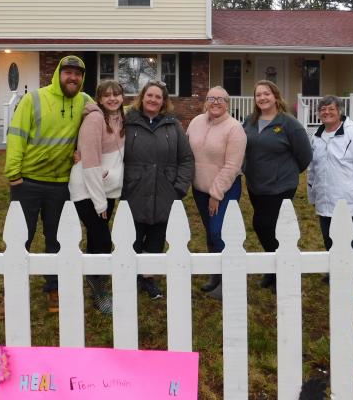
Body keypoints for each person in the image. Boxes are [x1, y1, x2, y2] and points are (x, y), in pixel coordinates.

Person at [4, 55, 92, 313]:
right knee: (21, 238)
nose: (72, 77)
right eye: (68, 72)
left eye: (78, 73)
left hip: (62, 185)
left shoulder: (86, 103)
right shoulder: (34, 99)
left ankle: (54, 288)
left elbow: (107, 120)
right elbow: (16, 133)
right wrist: (13, 173)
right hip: (27, 182)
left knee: (57, 240)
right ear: (58, 74)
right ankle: (11, 293)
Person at [123, 80, 194, 300]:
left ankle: (148, 279)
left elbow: (186, 158)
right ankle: (129, 278)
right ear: (142, 97)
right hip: (134, 189)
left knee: (156, 239)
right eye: (150, 95)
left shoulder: (173, 126)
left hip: (165, 191)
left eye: (158, 97)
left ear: (164, 102)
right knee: (132, 237)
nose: (153, 100)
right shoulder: (128, 122)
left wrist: (179, 188)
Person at [242, 80, 312, 291]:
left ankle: (282, 271)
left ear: (275, 96)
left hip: (281, 186)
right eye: (258, 95)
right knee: (266, 227)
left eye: (267, 94)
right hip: (256, 184)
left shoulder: (289, 123)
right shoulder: (250, 122)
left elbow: (305, 156)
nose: (262, 98)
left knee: (264, 225)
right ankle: (274, 269)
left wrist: (286, 174)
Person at [69, 79, 125, 315]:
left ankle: (93, 279)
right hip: (87, 191)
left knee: (96, 238)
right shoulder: (94, 119)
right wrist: (99, 201)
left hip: (108, 189)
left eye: (117, 94)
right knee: (103, 240)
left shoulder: (121, 119)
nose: (112, 98)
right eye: (107, 95)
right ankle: (99, 288)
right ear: (99, 99)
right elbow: (90, 163)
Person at [307, 95, 353, 286]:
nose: (327, 112)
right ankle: (335, 270)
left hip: (349, 199)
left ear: (339, 111)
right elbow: (313, 168)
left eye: (331, 109)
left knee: (349, 238)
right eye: (323, 109)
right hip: (325, 198)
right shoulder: (317, 136)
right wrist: (312, 193)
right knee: (329, 237)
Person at [186, 86, 247, 300]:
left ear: (227, 104)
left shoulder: (234, 128)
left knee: (220, 233)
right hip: (200, 189)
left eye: (221, 99)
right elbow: (186, 152)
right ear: (205, 101)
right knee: (210, 235)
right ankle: (216, 275)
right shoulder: (195, 123)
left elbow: (232, 166)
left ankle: (230, 281)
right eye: (211, 98)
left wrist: (216, 194)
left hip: (225, 189)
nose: (216, 102)